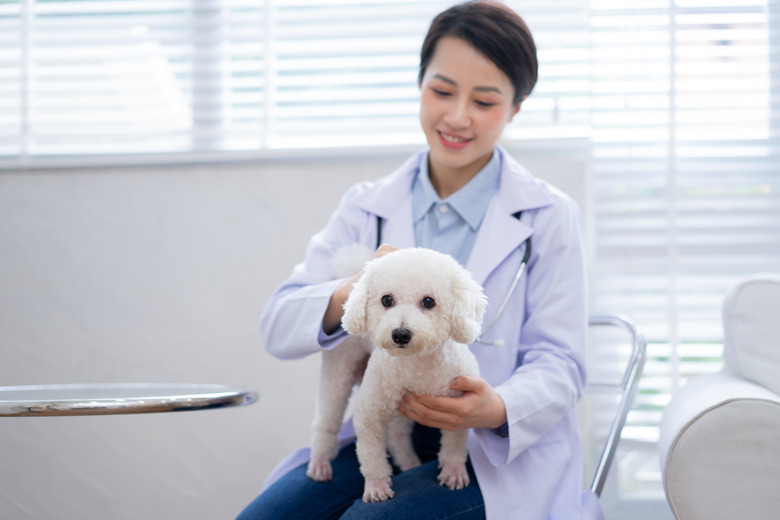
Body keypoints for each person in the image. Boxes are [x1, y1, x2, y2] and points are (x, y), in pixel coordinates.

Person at [239, 1, 596, 519]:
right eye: (442, 90)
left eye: (485, 100)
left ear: (516, 107)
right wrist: (358, 291)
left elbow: (562, 363)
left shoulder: (550, 216)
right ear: (420, 83)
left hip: (490, 450)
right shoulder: (368, 205)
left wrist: (495, 406)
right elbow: (278, 325)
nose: (457, 117)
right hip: (385, 429)